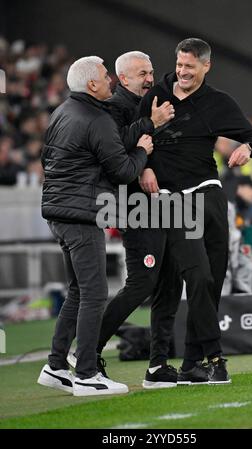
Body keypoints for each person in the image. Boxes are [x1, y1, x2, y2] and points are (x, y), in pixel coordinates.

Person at [139, 38, 252, 384]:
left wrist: (247, 148)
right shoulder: (155, 96)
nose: (182, 72)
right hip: (169, 200)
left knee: (213, 277)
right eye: (179, 65)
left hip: (208, 192)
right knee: (193, 277)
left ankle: (192, 363)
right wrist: (144, 167)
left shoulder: (218, 103)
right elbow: (132, 138)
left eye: (189, 67)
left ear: (206, 67)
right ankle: (214, 356)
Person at [37, 56, 153, 396]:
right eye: (105, 77)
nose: (110, 82)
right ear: (91, 85)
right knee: (94, 293)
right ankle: (86, 373)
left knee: (77, 291)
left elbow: (49, 159)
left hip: (58, 213)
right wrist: (143, 150)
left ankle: (57, 365)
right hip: (83, 214)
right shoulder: (97, 118)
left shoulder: (61, 112)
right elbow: (124, 171)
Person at [68, 51, 183, 389]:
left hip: (164, 202)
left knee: (169, 281)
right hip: (135, 205)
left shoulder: (151, 103)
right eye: (142, 73)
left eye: (150, 71)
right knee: (142, 281)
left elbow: (153, 147)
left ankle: (158, 364)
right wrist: (149, 140)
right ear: (123, 78)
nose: (150, 78)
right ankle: (86, 350)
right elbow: (115, 148)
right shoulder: (113, 107)